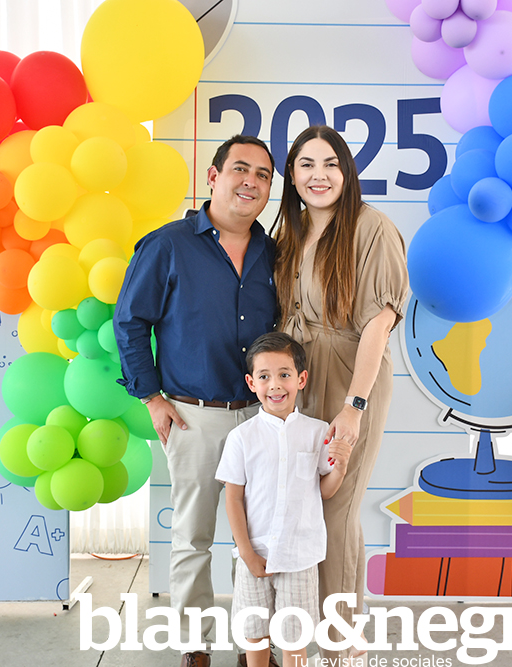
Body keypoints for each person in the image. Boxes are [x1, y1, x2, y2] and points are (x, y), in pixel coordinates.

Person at [113, 135, 277, 667]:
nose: (251, 181)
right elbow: (129, 322)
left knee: (258, 539)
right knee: (193, 537)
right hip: (194, 416)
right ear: (213, 176)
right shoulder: (168, 245)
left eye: (263, 175)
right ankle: (195, 646)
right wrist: (150, 396)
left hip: (261, 418)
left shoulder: (274, 253)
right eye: (240, 169)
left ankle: (256, 644)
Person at [270, 126, 409, 663]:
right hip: (301, 379)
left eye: (330, 163)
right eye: (306, 165)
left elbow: (379, 324)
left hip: (353, 376)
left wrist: (354, 407)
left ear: (347, 171)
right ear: (292, 175)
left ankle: (341, 645)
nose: (319, 175)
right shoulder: (292, 232)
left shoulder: (372, 228)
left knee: (337, 511)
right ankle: (321, 639)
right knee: (307, 511)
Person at [216, 332, 351, 667]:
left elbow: (324, 491)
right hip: (255, 553)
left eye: (284, 375)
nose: (275, 385)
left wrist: (340, 468)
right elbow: (233, 498)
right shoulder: (241, 437)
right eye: (264, 376)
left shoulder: (318, 432)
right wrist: (246, 552)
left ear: (301, 379)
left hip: (299, 555)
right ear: (251, 383)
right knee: (255, 634)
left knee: (294, 636)